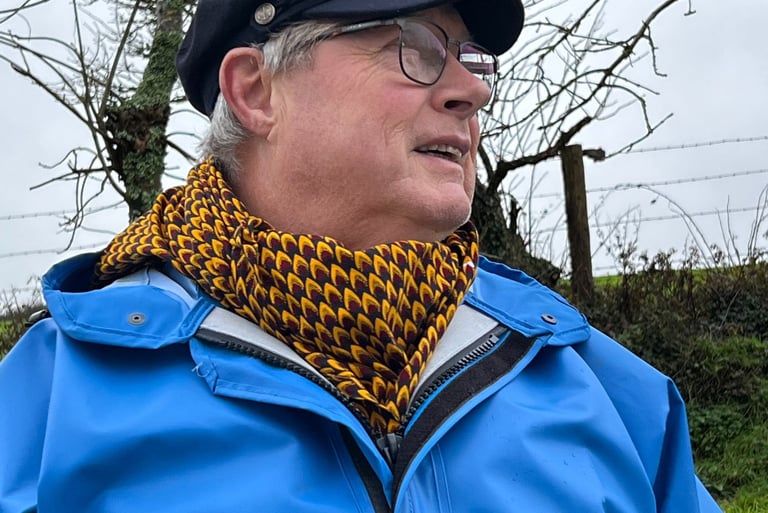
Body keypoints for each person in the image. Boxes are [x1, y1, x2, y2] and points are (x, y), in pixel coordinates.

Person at [0, 0, 723, 511]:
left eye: (469, 57)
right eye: (417, 47)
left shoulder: (598, 383)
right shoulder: (50, 403)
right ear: (255, 91)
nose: (472, 90)